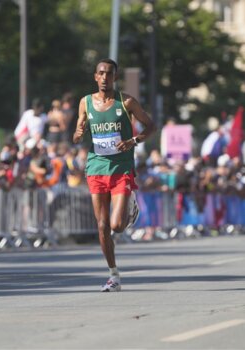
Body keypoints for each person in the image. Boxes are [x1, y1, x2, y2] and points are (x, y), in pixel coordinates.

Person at [73, 58, 156, 292]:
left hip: (120, 168)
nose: (104, 77)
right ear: (95, 76)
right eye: (100, 73)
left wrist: (133, 140)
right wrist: (78, 134)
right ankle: (113, 275)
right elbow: (77, 134)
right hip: (96, 168)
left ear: (114, 78)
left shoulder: (126, 101)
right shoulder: (85, 102)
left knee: (117, 225)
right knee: (101, 226)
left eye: (109, 74)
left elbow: (151, 126)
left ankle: (131, 206)